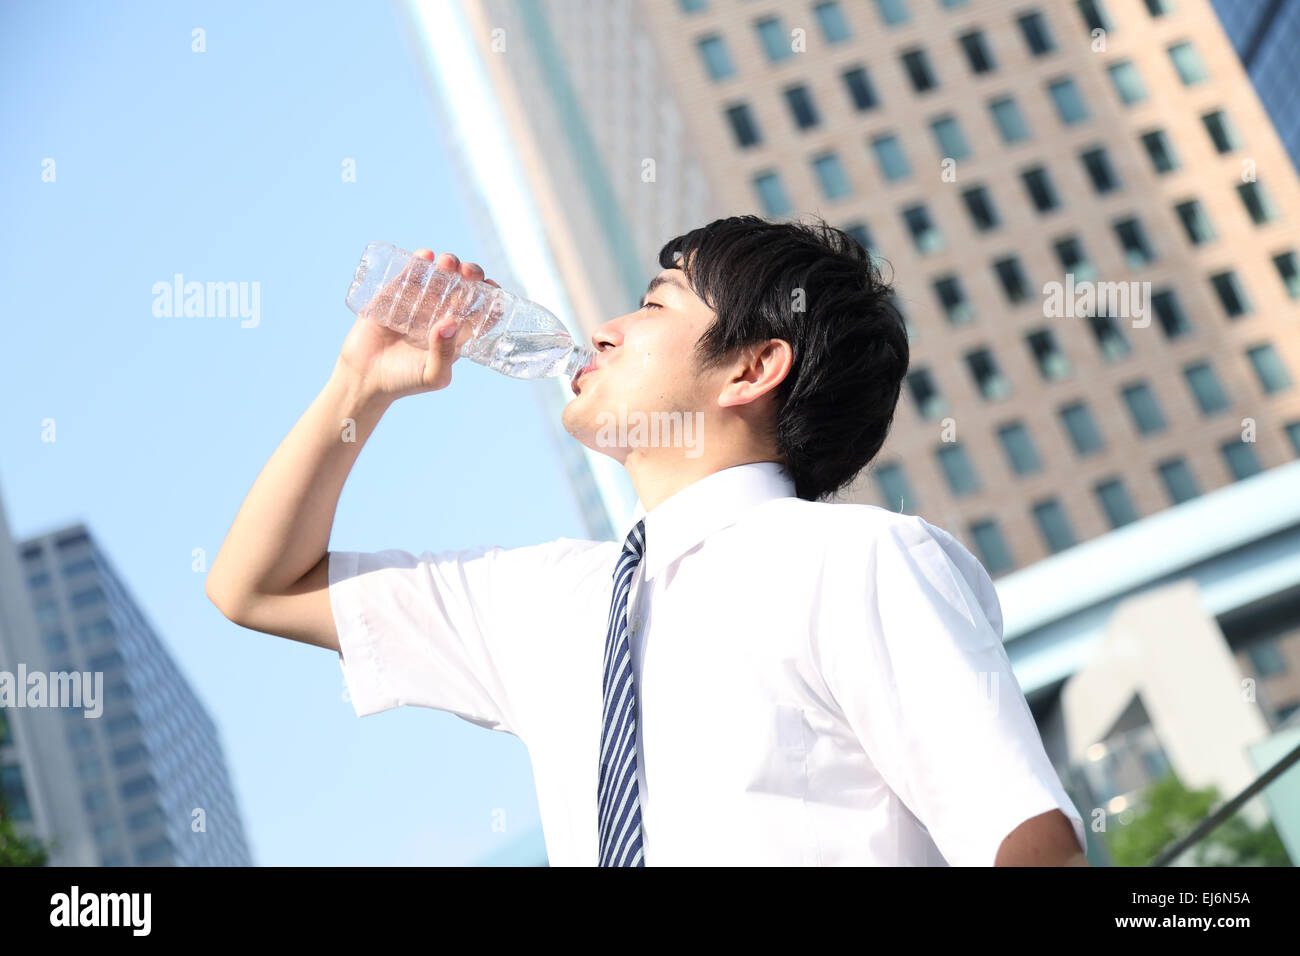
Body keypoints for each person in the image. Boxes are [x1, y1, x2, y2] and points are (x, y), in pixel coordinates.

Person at [206, 214, 1089, 866]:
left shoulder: (857, 561)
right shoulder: (548, 600)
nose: (603, 330)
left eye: (654, 303)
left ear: (752, 367)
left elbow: (1023, 836)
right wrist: (358, 389)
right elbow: (256, 588)